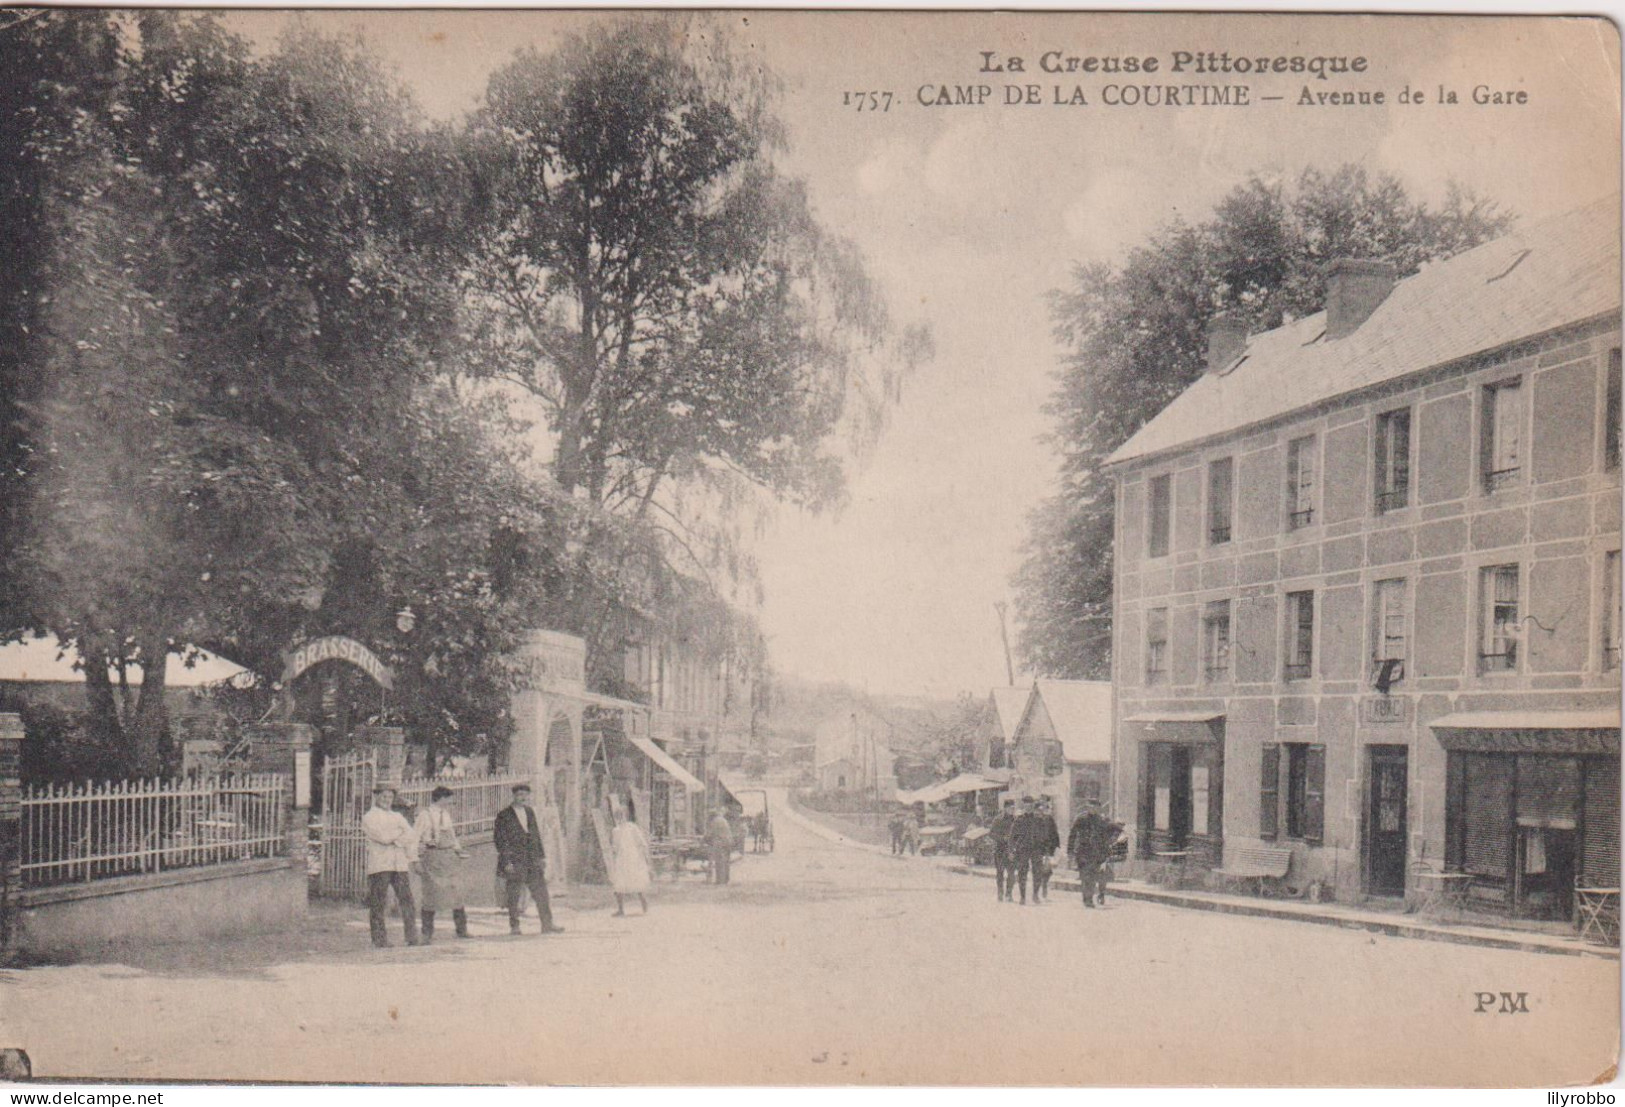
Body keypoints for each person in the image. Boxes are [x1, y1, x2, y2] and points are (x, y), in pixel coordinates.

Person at [494, 783, 564, 936]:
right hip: (514, 860)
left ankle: (547, 924)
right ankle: (514, 926)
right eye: (519, 795)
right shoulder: (503, 815)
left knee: (541, 892)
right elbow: (500, 840)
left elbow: (536, 835)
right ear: (513, 796)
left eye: (526, 795)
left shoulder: (529, 812)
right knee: (514, 894)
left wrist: (541, 857)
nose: (523, 798)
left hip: (532, 860)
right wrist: (507, 862)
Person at [362, 784, 420, 947]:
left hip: (399, 864)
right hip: (380, 864)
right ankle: (380, 939)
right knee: (378, 902)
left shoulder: (397, 816)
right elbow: (382, 837)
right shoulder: (369, 817)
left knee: (407, 900)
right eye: (383, 797)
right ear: (377, 797)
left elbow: (411, 835)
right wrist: (399, 836)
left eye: (389, 797)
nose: (387, 800)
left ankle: (412, 936)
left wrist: (396, 838)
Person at [413, 785, 470, 942]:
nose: (451, 802)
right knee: (431, 895)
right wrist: (415, 860)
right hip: (432, 857)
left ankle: (462, 930)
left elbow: (452, 836)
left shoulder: (446, 815)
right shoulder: (424, 815)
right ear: (442, 798)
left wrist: (458, 850)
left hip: (449, 858)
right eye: (449, 798)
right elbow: (414, 838)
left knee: (457, 893)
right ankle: (427, 934)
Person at [608, 798, 654, 916]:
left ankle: (645, 908)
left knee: (637, 882)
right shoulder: (615, 831)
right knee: (619, 884)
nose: (620, 818)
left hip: (634, 858)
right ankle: (621, 909)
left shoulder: (632, 828)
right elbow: (615, 847)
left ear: (626, 816)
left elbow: (642, 843)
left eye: (621, 815)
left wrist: (645, 858)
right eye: (617, 816)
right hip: (622, 859)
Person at [1009, 796, 1052, 905]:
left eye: (1030, 805)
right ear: (1023, 806)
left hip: (1036, 849)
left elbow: (1045, 837)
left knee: (1037, 873)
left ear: (1033, 806)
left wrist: (1047, 853)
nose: (1028, 807)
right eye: (1026, 805)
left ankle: (1035, 895)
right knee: (1022, 873)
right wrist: (1011, 850)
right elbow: (1012, 836)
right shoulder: (1019, 820)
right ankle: (1022, 897)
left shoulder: (1039, 820)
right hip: (1022, 849)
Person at [1033, 798, 1061, 902]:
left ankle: (1044, 884)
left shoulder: (1049, 819)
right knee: (1037, 871)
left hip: (1047, 848)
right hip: (1036, 849)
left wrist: (1056, 845)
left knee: (1048, 871)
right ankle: (1036, 893)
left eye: (1045, 808)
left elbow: (1054, 832)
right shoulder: (1033, 819)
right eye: (1041, 808)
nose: (1043, 810)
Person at [989, 797, 1017, 901]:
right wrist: (1002, 838)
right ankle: (1000, 892)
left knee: (1011, 873)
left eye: (1013, 808)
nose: (1011, 810)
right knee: (1000, 873)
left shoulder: (1016, 820)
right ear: (1005, 808)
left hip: (1011, 851)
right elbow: (991, 833)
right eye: (1010, 808)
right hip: (1000, 850)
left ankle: (1009, 893)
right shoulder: (998, 819)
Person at [706, 807, 734, 885]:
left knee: (719, 862)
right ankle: (726, 879)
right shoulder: (723, 820)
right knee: (726, 862)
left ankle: (720, 881)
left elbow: (709, 834)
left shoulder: (715, 821)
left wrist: (704, 840)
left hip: (721, 843)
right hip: (728, 843)